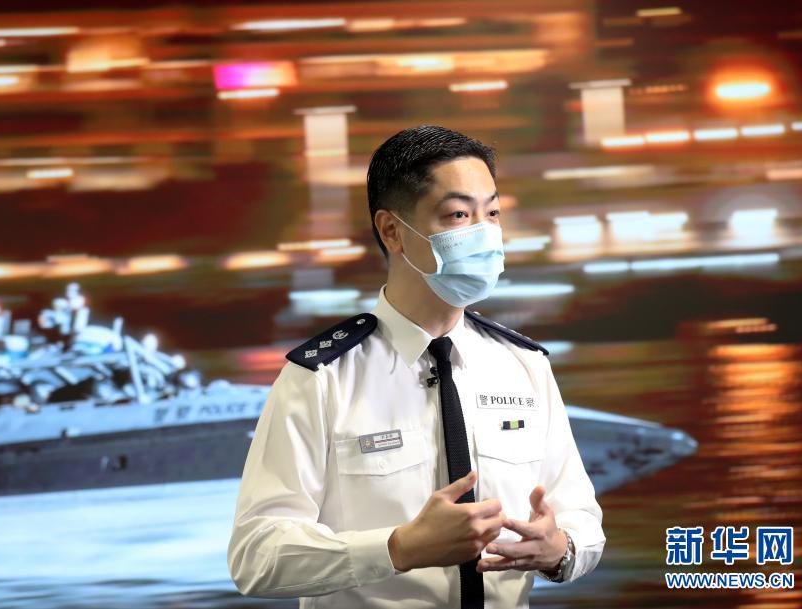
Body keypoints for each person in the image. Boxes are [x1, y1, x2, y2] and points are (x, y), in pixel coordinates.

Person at [228, 125, 605, 608]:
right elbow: (257, 556)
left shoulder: (524, 366)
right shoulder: (322, 379)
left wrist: (559, 551)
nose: (484, 233)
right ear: (392, 231)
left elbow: (582, 520)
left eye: (491, 213)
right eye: (458, 214)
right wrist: (398, 548)